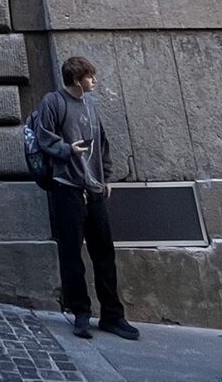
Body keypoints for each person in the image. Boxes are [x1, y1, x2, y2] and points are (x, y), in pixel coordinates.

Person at [29, 55, 139, 341]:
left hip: (94, 188)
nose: (94, 81)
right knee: (71, 253)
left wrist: (106, 177)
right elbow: (43, 136)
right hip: (67, 187)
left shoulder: (91, 104)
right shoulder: (53, 102)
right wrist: (66, 150)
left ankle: (113, 315)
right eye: (90, 77)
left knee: (104, 252)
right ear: (77, 80)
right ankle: (80, 312)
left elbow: (102, 143)